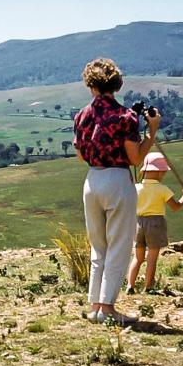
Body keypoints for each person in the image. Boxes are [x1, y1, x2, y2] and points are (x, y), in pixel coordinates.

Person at [73, 58, 159, 325]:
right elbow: (135, 159)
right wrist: (151, 132)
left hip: (92, 179)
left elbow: (79, 154)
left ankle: (96, 305)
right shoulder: (126, 117)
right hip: (118, 180)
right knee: (119, 246)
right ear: (116, 85)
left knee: (98, 247)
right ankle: (108, 307)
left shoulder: (81, 116)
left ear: (91, 86)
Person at [126, 152, 183, 294]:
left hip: (138, 223)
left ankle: (130, 285)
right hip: (155, 222)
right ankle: (149, 286)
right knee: (152, 257)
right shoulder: (162, 189)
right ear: (160, 172)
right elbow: (176, 206)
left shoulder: (136, 188)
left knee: (138, 257)